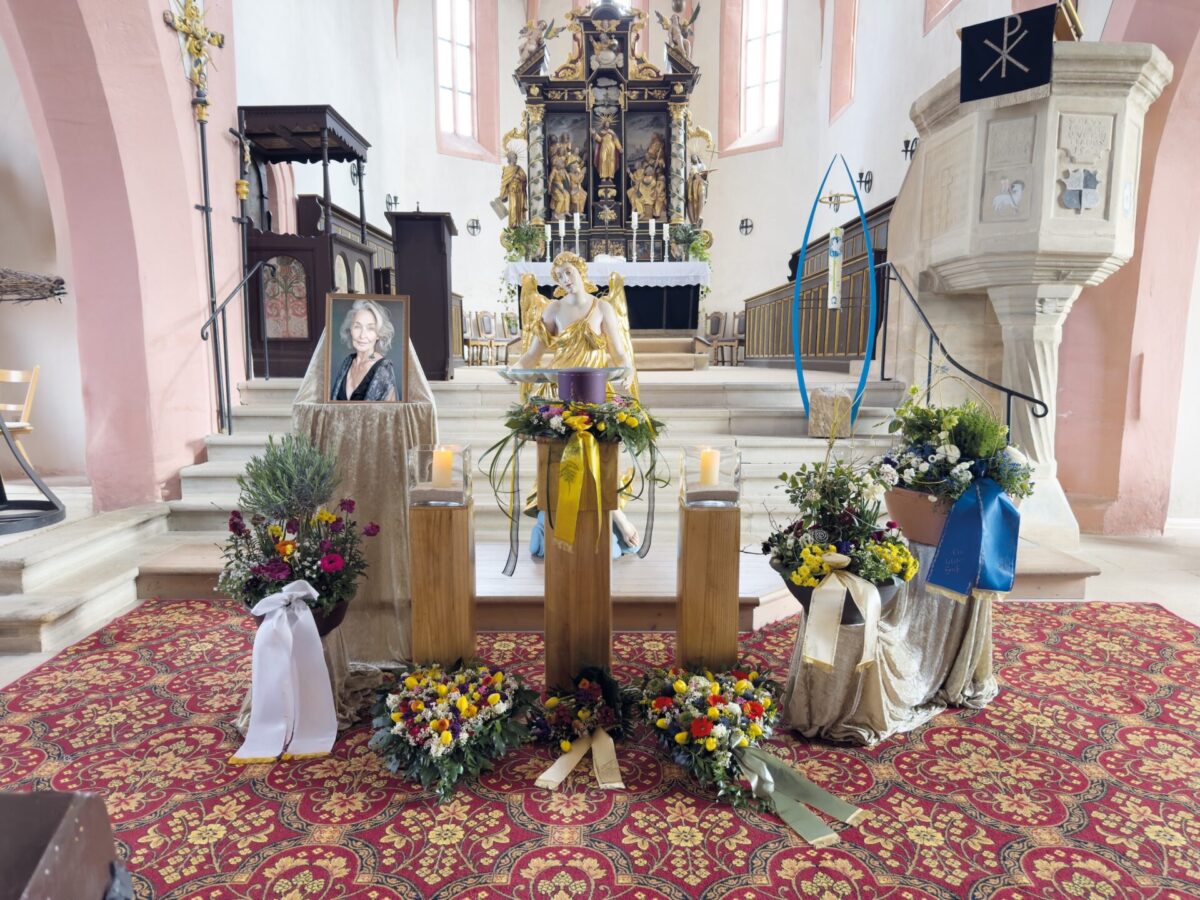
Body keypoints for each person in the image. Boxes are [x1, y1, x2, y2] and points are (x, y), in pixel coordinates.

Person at [331, 299, 398, 401]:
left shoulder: (384, 370)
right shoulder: (347, 362)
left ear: (378, 334)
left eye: (370, 328)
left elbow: (389, 415)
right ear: (350, 330)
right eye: (357, 327)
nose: (362, 335)